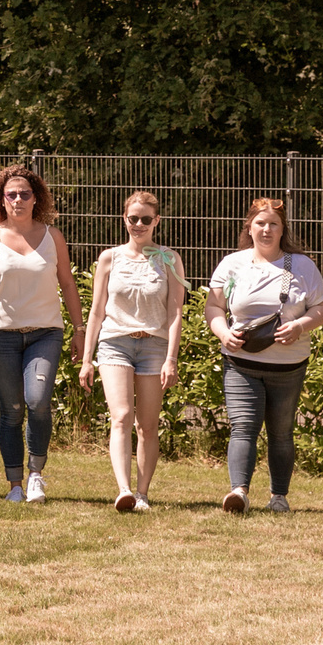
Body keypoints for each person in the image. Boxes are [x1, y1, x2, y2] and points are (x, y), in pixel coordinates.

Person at [204, 197, 323, 514]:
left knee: (281, 433)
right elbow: (214, 307)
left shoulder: (302, 266)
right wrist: (223, 332)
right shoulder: (232, 265)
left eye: (273, 223)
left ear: (282, 229)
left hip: (288, 367)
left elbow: (322, 308)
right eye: (260, 223)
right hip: (240, 363)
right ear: (249, 226)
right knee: (243, 427)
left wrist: (300, 326)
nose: (266, 229)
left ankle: (279, 497)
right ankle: (239, 493)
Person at [0, 164, 83, 505]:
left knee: (38, 401)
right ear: (1, 200)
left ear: (36, 199)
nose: (18, 200)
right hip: (0, 334)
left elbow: (67, 284)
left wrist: (78, 329)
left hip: (45, 333)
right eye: (11, 194)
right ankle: (14, 484)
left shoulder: (53, 236)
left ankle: (36, 476)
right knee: (12, 409)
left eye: (24, 194)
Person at [80, 190, 187, 512]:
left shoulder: (170, 258)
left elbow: (175, 312)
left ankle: (142, 493)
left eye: (145, 219)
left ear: (156, 221)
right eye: (133, 219)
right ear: (124, 219)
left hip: (155, 345)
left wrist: (171, 358)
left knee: (148, 425)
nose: (138, 225)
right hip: (115, 342)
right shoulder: (109, 258)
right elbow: (97, 311)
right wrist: (87, 359)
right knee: (122, 416)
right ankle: (123, 490)